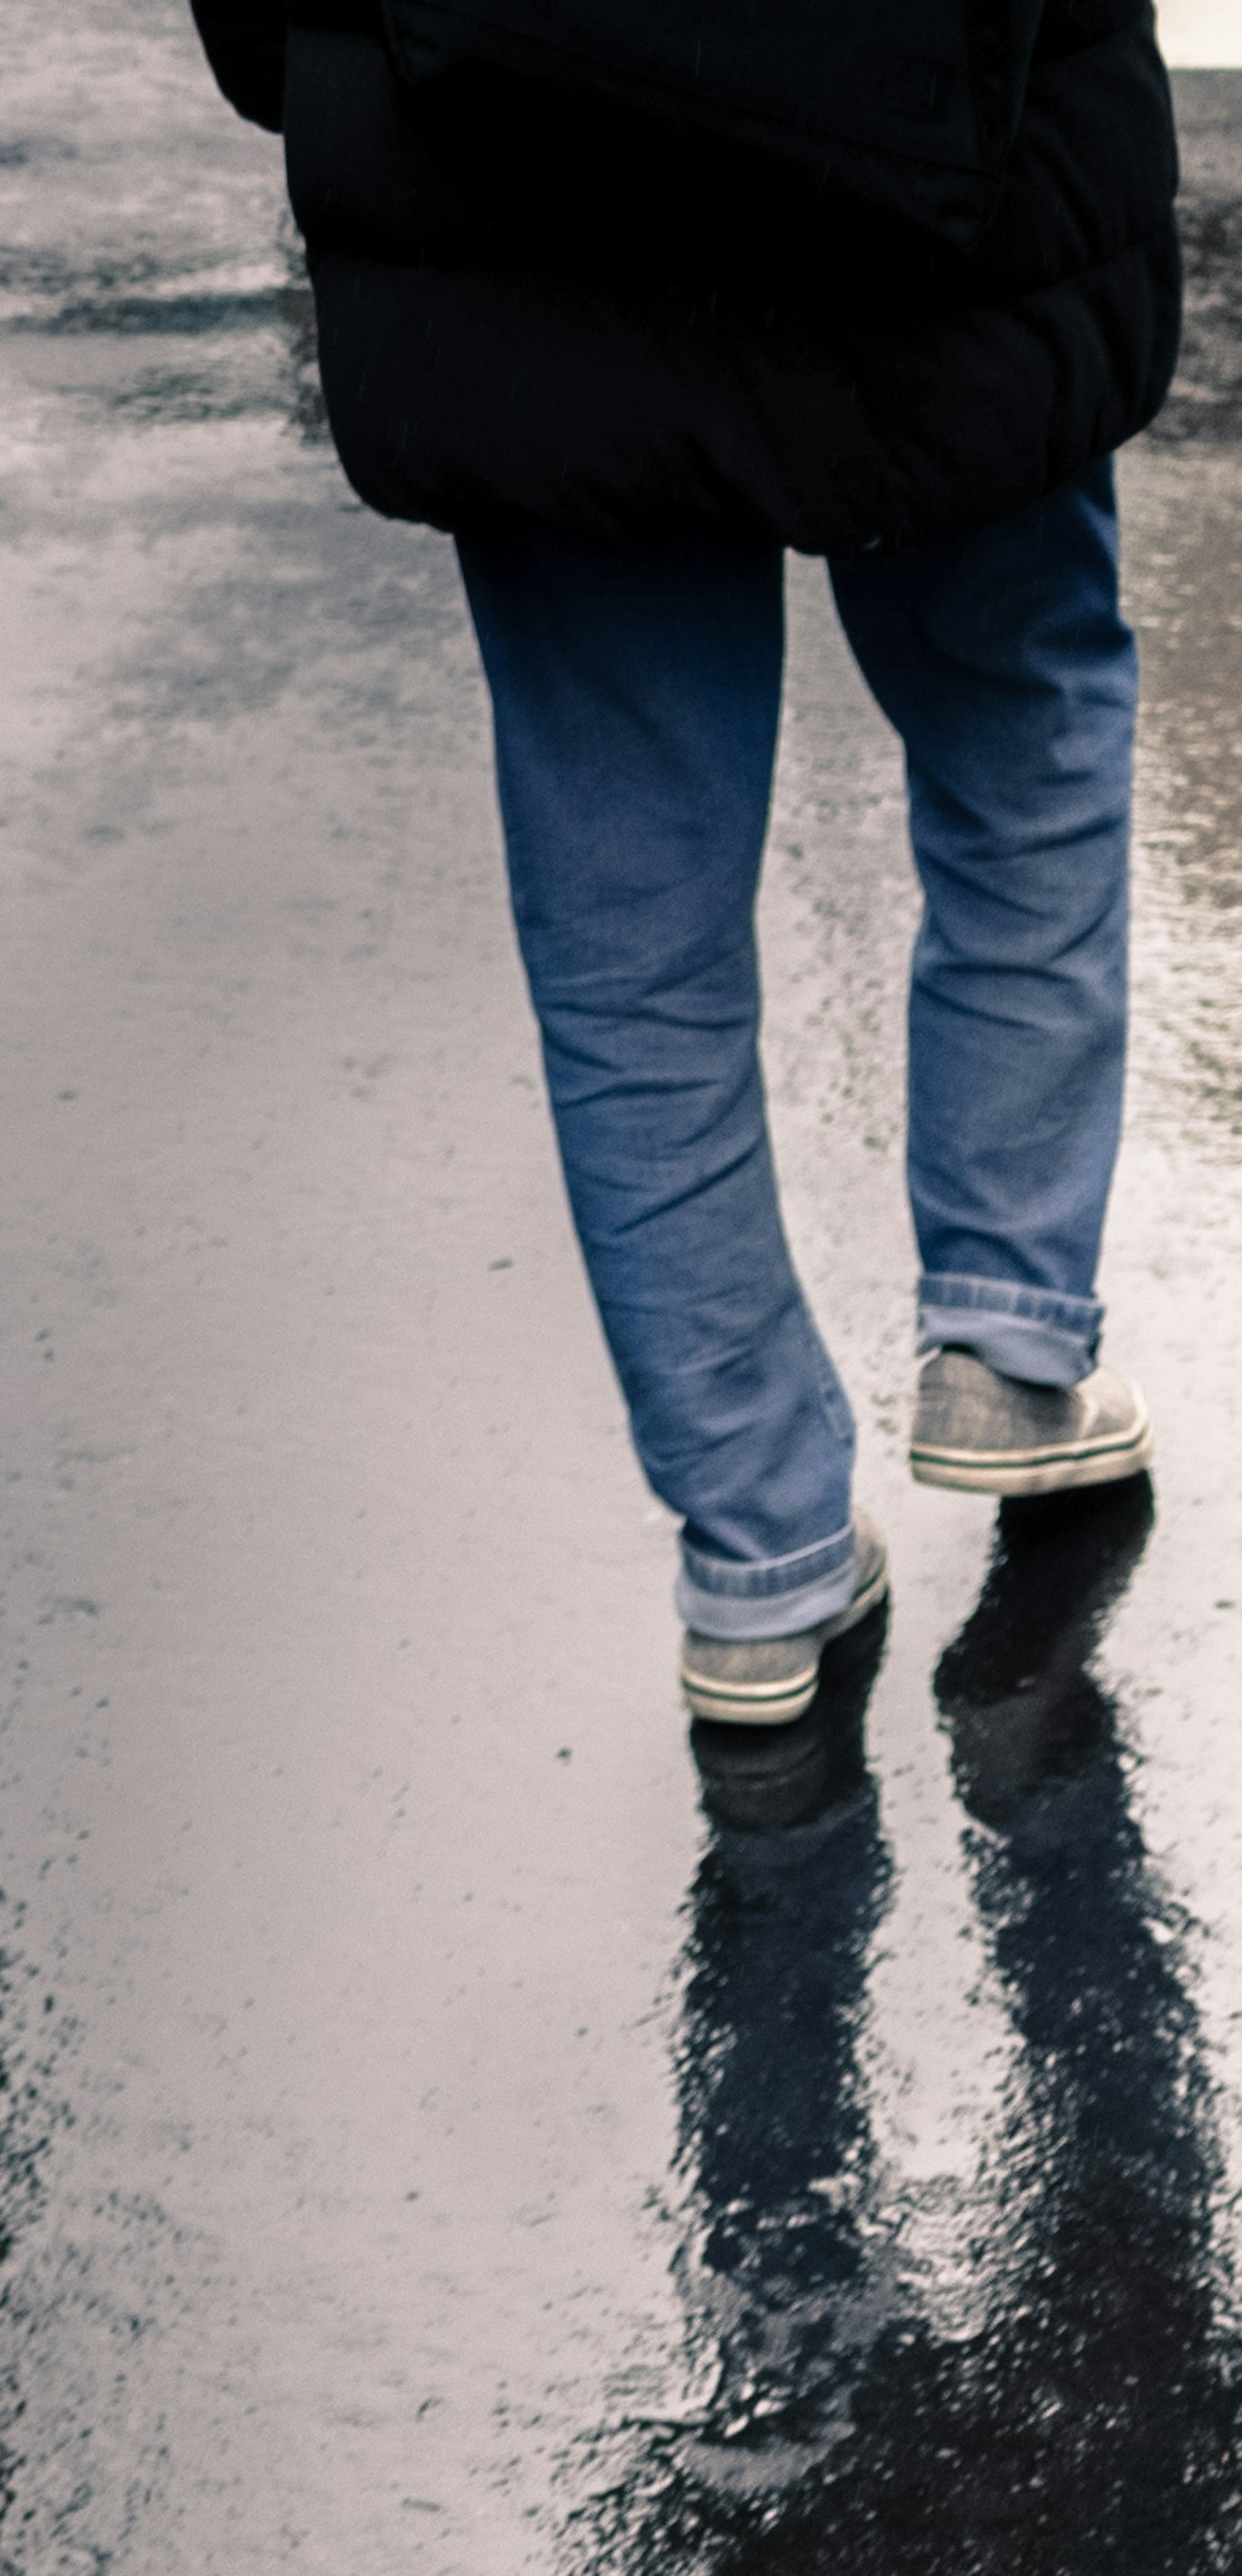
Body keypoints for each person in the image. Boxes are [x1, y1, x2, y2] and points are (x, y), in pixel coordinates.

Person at [187, 0, 1181, 1747]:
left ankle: (757, 1544)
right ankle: (1012, 1344)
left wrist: (340, 59)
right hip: (935, 145)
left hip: (500, 140)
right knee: (1018, 709)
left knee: (624, 897)